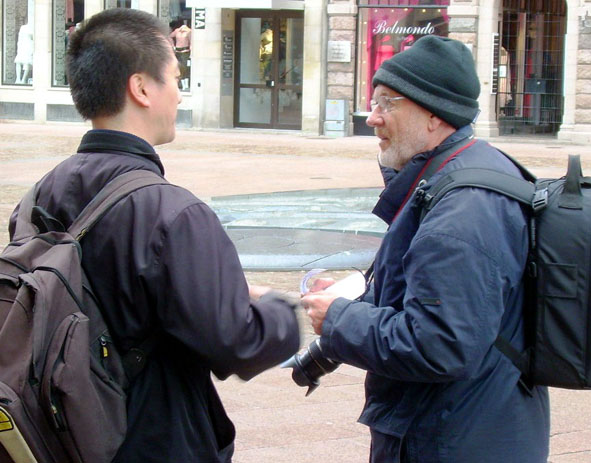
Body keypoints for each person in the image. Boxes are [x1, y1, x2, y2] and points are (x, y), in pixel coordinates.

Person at [8, 8, 299, 463]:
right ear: (141, 88)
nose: (179, 95)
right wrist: (282, 311)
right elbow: (236, 341)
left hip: (64, 437)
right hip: (154, 439)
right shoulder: (175, 214)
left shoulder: (37, 195)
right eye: (176, 79)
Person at [301, 36, 549, 462]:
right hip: (476, 425)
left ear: (434, 115)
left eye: (387, 103)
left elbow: (440, 344)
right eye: (373, 102)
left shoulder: (462, 209)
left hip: (451, 440)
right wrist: (354, 301)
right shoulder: (469, 171)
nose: (372, 118)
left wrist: (339, 318)